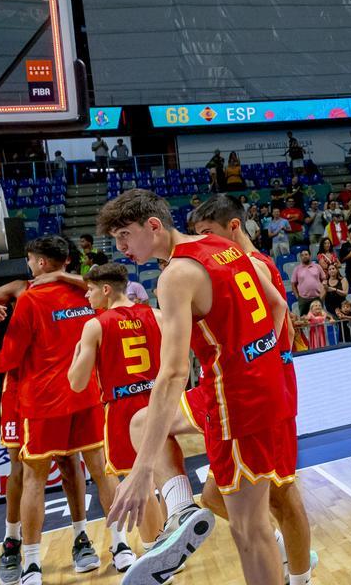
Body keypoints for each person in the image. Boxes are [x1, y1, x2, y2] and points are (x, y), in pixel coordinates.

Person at [98, 190, 294, 585]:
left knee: (249, 531)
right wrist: (263, 356)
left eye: (124, 235)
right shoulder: (222, 245)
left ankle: (184, 509)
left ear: (153, 226)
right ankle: (181, 509)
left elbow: (171, 374)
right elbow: (278, 305)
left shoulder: (175, 276)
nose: (120, 248)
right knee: (141, 421)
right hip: (258, 385)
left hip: (235, 403)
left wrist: (142, 469)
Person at [186, 195, 316, 585]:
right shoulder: (240, 264)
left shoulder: (249, 265)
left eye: (209, 233)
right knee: (216, 496)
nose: (203, 242)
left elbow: (284, 329)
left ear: (234, 227)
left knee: (282, 492)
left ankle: (299, 573)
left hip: (260, 388)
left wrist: (265, 361)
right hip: (250, 388)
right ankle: (276, 547)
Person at [0, 237, 114, 583]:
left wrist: (62, 278)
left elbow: (100, 285)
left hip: (61, 394)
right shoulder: (20, 288)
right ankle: (12, 541)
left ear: (42, 262)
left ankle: (80, 537)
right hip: (20, 391)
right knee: (20, 468)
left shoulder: (81, 291)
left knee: (70, 463)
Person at [67, 263, 166, 557]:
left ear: (106, 290)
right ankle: (167, 542)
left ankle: (155, 553)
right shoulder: (157, 315)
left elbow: (77, 382)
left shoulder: (95, 325)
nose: (87, 296)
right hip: (158, 402)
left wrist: (76, 356)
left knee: (140, 487)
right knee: (164, 477)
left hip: (123, 409)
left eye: (91, 290)